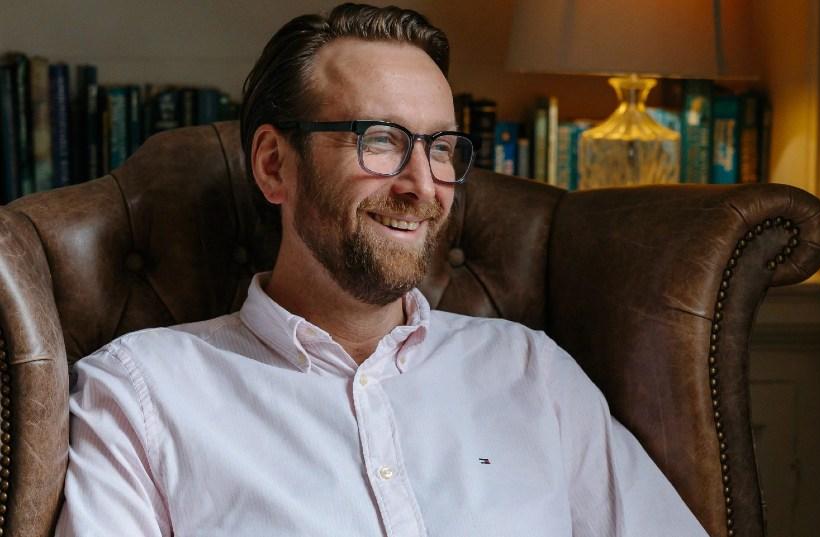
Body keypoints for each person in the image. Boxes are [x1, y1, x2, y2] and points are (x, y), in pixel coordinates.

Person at [56, 4, 707, 536]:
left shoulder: (533, 373)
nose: (423, 185)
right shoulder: (141, 394)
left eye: (442, 147)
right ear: (274, 165)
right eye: (382, 140)